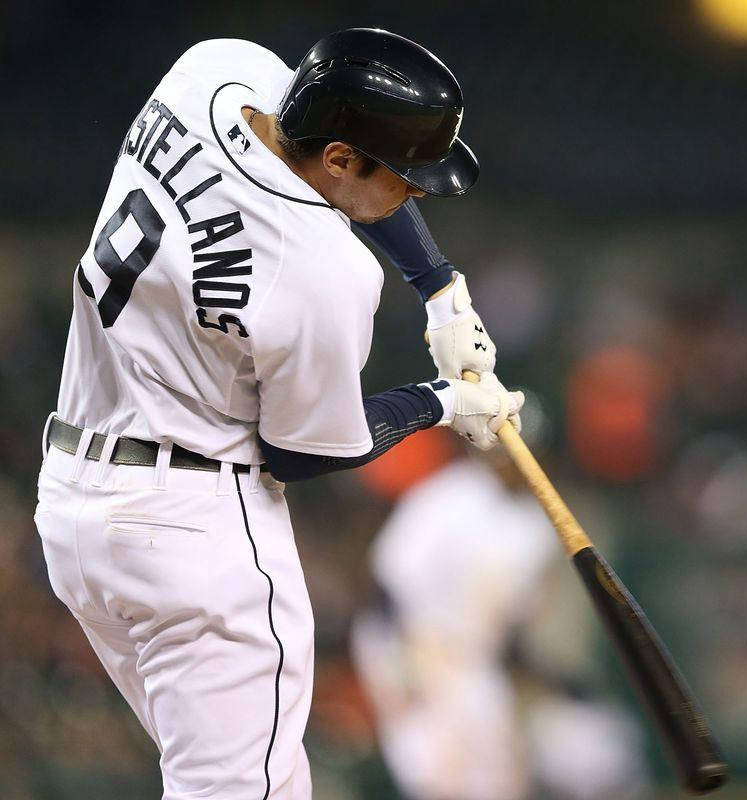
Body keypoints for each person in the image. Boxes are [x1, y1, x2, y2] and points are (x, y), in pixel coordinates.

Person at [33, 28, 521, 799]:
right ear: (339, 159)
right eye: (405, 175)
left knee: (243, 780)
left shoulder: (211, 72)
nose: (418, 192)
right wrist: (442, 402)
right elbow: (304, 452)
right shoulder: (323, 271)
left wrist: (437, 284)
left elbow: (322, 153)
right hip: (190, 533)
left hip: (74, 505)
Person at [350, 417, 649, 800]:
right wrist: (399, 669)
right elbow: (385, 584)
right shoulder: (451, 495)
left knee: (500, 778)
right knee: (436, 772)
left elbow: (507, 629)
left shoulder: (534, 525)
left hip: (473, 658)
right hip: (410, 644)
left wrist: (556, 682)